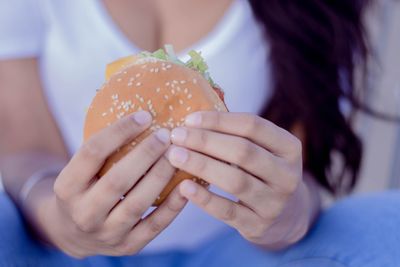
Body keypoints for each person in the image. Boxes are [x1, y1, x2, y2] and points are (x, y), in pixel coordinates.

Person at [0, 0, 398, 266]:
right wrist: (58, 219)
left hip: (235, 253)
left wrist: (289, 217)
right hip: (62, 250)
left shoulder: (309, 11)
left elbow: (298, 169)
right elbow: (25, 149)